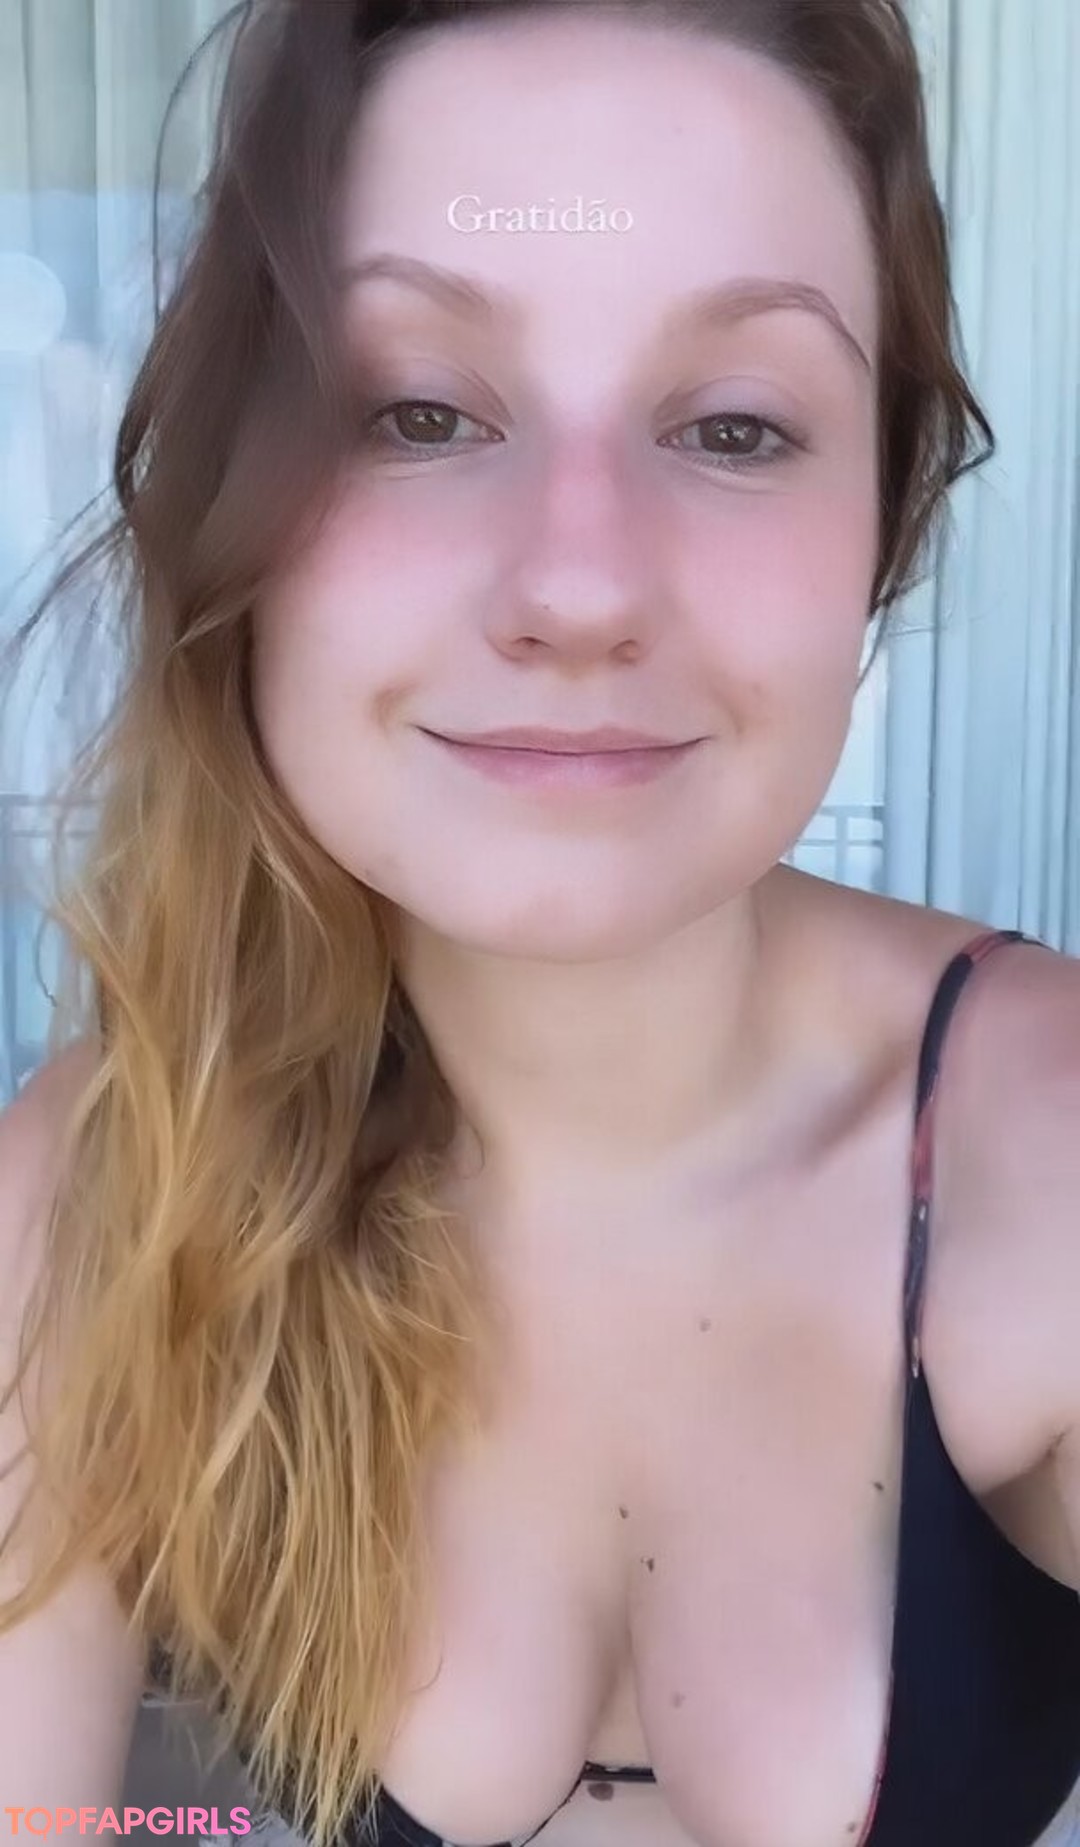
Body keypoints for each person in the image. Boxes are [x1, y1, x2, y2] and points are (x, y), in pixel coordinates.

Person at [1, 1, 1079, 1844]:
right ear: (235, 505)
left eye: (735, 426)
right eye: (418, 411)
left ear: (881, 531)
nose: (579, 586)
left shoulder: (1046, 1153)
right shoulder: (95, 1196)